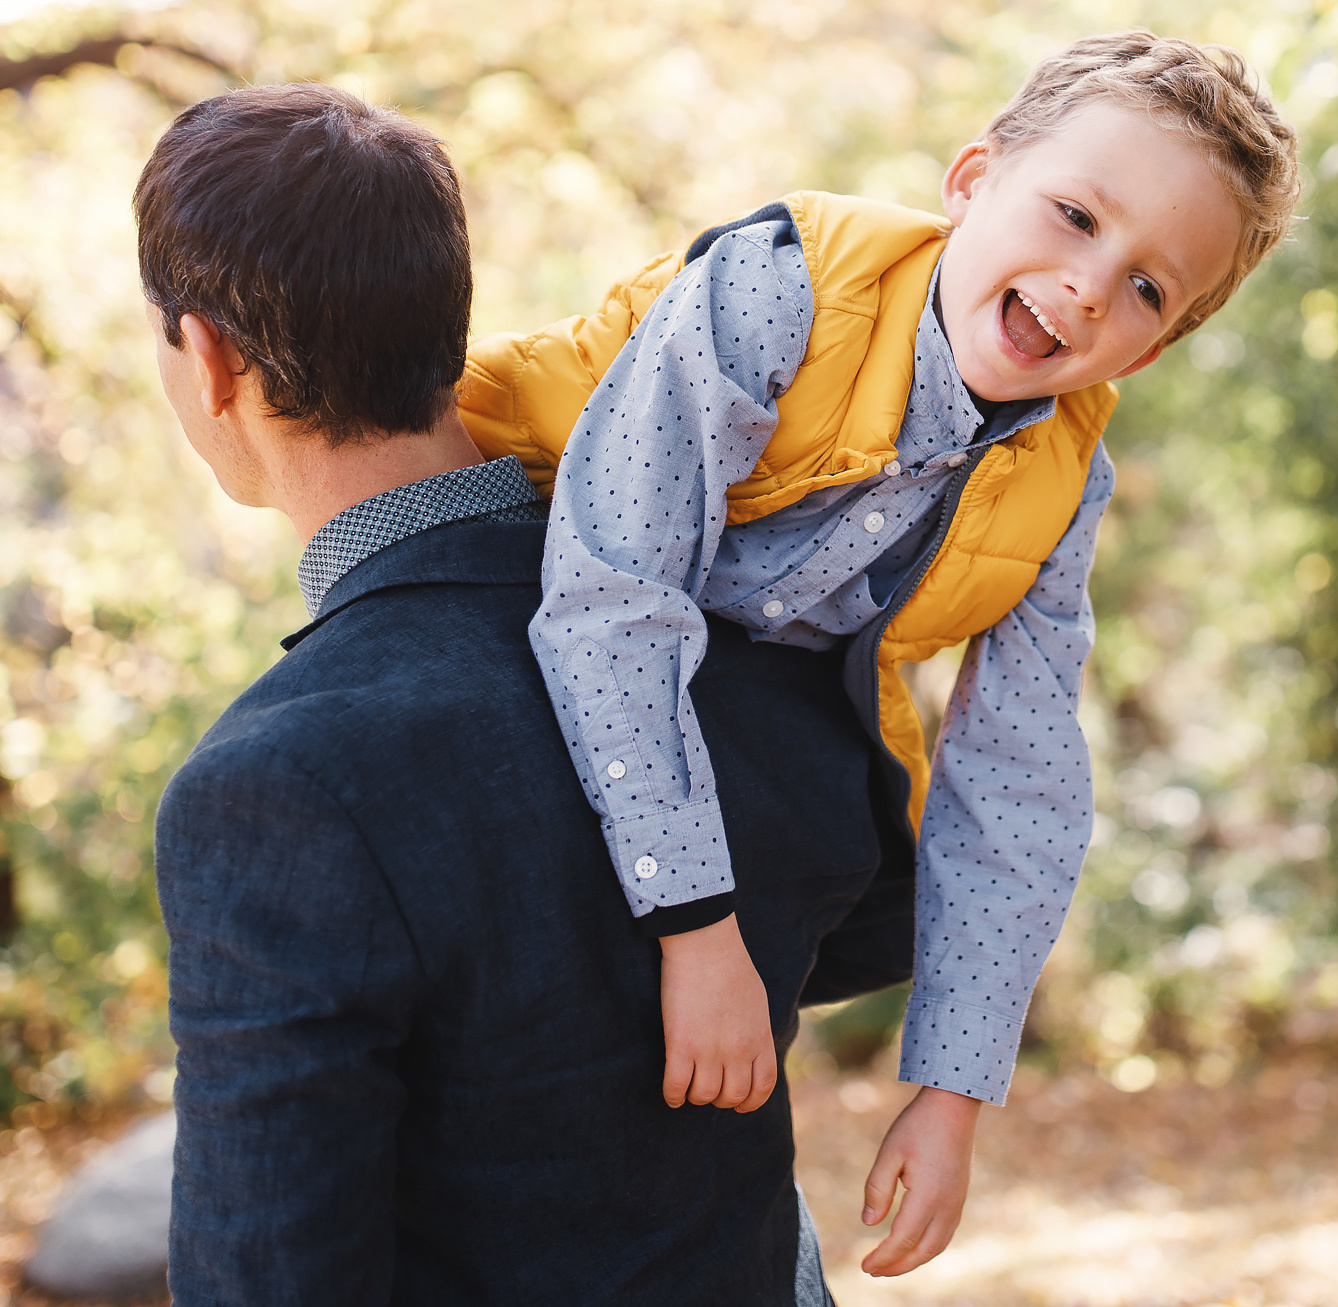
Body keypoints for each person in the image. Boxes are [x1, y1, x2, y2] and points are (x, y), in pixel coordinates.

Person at [460, 31, 1301, 1275]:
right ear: (972, 177)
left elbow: (1016, 781)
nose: (1085, 287)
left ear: (1155, 347)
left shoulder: (1061, 481)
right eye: (1073, 217)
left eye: (1144, 290)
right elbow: (620, 591)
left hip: (748, 698)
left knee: (830, 854)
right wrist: (700, 933)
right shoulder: (782, 288)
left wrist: (951, 1093)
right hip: (517, 531)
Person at [141, 83, 890, 1304]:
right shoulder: (738, 637)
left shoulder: (276, 789)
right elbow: (885, 904)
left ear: (210, 361)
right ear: (446, 322)